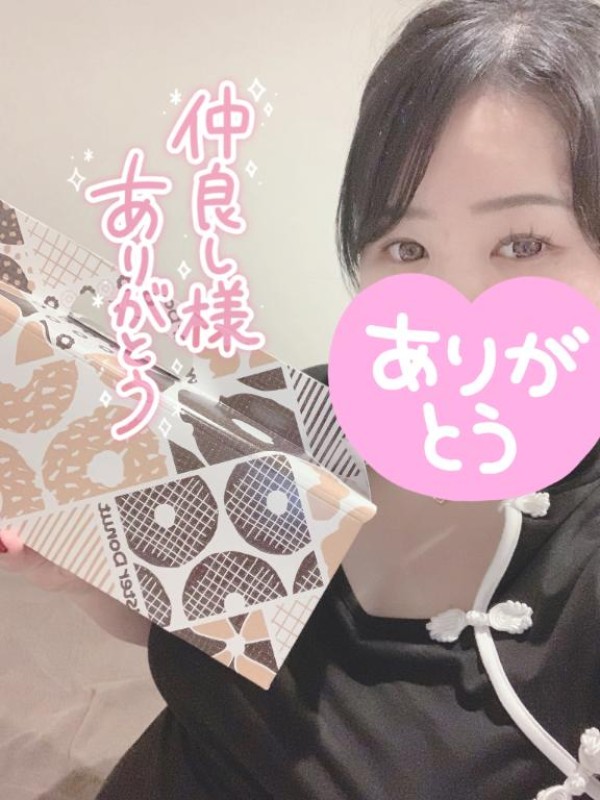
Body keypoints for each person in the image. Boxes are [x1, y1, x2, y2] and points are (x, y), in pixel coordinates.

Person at [5, 0, 600, 796]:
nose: (453, 303)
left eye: (522, 244)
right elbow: (195, 619)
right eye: (407, 247)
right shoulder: (301, 415)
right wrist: (82, 571)